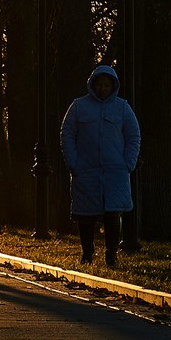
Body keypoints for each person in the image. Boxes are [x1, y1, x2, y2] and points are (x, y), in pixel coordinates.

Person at [59, 63, 141, 267]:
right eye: (99, 85)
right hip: (85, 170)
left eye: (106, 85)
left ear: (113, 86)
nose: (102, 89)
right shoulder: (78, 106)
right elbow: (67, 134)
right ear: (92, 85)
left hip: (115, 172)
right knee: (85, 217)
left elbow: (133, 135)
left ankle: (111, 254)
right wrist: (73, 162)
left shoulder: (123, 108)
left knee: (113, 216)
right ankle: (87, 253)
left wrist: (128, 163)